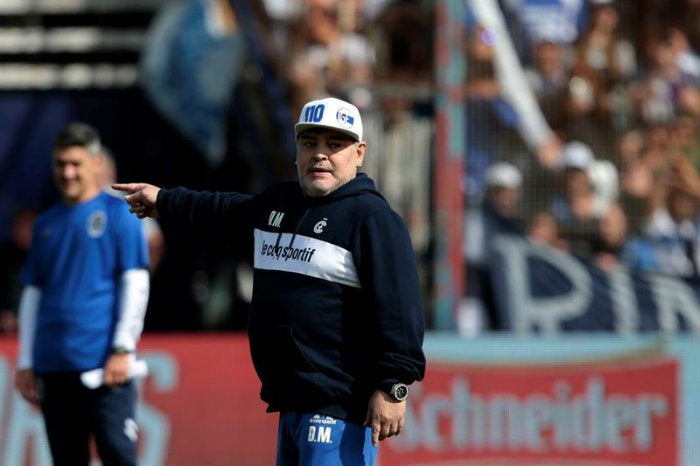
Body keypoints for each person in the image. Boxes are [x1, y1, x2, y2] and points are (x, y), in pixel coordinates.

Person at [114, 96, 426, 466]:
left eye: (334, 144)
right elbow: (222, 210)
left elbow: (400, 309)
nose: (320, 154)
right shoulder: (279, 204)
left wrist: (394, 386)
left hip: (339, 406)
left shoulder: (372, 219)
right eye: (310, 143)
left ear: (359, 153)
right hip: (292, 401)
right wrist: (164, 200)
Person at [14, 122, 150, 466]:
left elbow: (135, 282)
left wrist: (122, 348)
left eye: (75, 163)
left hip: (105, 366)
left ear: (94, 164)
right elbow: (33, 294)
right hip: (55, 366)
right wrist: (27, 361)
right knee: (66, 458)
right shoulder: (46, 224)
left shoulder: (120, 213)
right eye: (60, 164)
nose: (68, 172)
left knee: (117, 454)